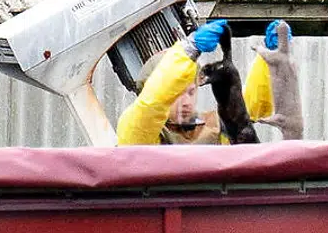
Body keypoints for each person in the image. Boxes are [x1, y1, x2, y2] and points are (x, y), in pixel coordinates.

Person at [115, 19, 289, 145]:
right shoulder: (140, 134)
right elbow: (150, 108)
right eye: (175, 95)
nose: (186, 102)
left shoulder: (214, 127)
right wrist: (188, 49)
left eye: (191, 92)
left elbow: (248, 109)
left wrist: (269, 56)